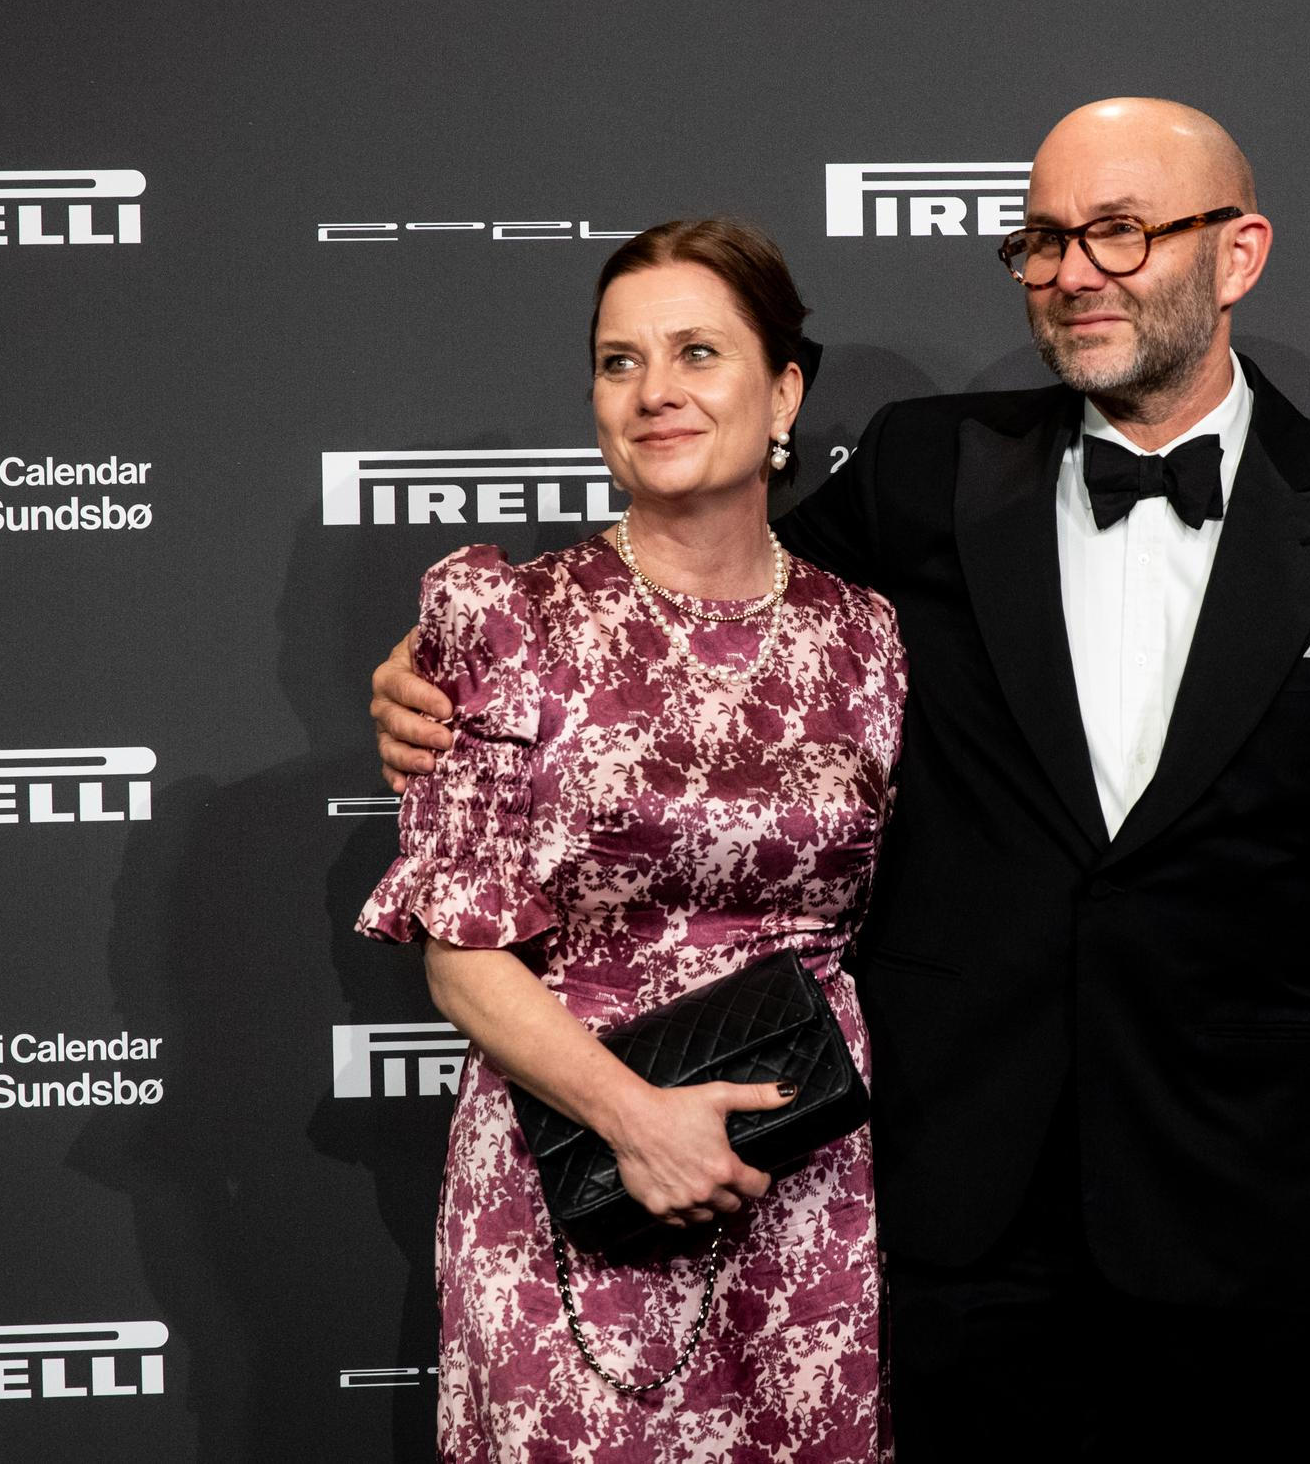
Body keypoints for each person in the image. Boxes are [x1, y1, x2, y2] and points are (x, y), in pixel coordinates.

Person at [376, 100, 1310, 1459]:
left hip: (1243, 1198)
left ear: (1239, 253)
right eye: (1043, 240)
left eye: (1119, 231)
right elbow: (702, 596)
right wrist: (443, 673)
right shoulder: (926, 469)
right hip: (947, 1196)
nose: (1073, 272)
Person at [355, 218, 905, 1461]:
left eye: (697, 352)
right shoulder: (504, 617)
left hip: (800, 1184)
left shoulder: (868, 636)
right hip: (572, 1175)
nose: (655, 390)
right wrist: (637, 1120)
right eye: (620, 361)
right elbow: (460, 948)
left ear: (784, 394)